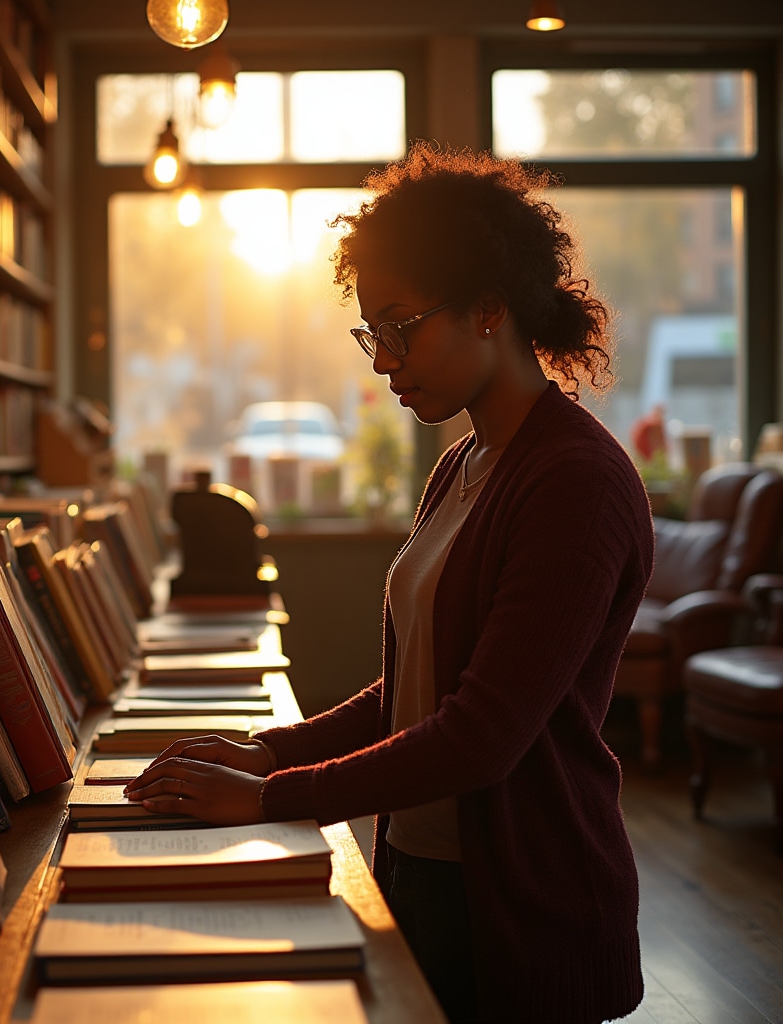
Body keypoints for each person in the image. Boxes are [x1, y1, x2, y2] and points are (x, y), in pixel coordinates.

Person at [125, 144, 654, 1024]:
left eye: (403, 327)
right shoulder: (464, 463)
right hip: (427, 878)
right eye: (374, 331)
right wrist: (265, 749)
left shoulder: (576, 483)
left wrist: (267, 797)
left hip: (528, 907)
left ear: (490, 310)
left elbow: (481, 734)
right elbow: (421, 682)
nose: (382, 360)